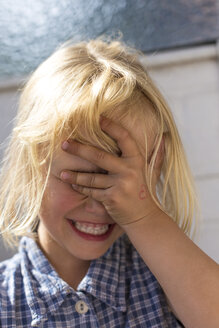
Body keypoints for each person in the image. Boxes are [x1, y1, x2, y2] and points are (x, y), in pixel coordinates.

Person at [0, 39, 218, 328]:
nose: (102, 202)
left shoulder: (170, 281)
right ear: (29, 168)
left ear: (156, 167)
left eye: (123, 181)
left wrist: (144, 216)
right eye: (80, 180)